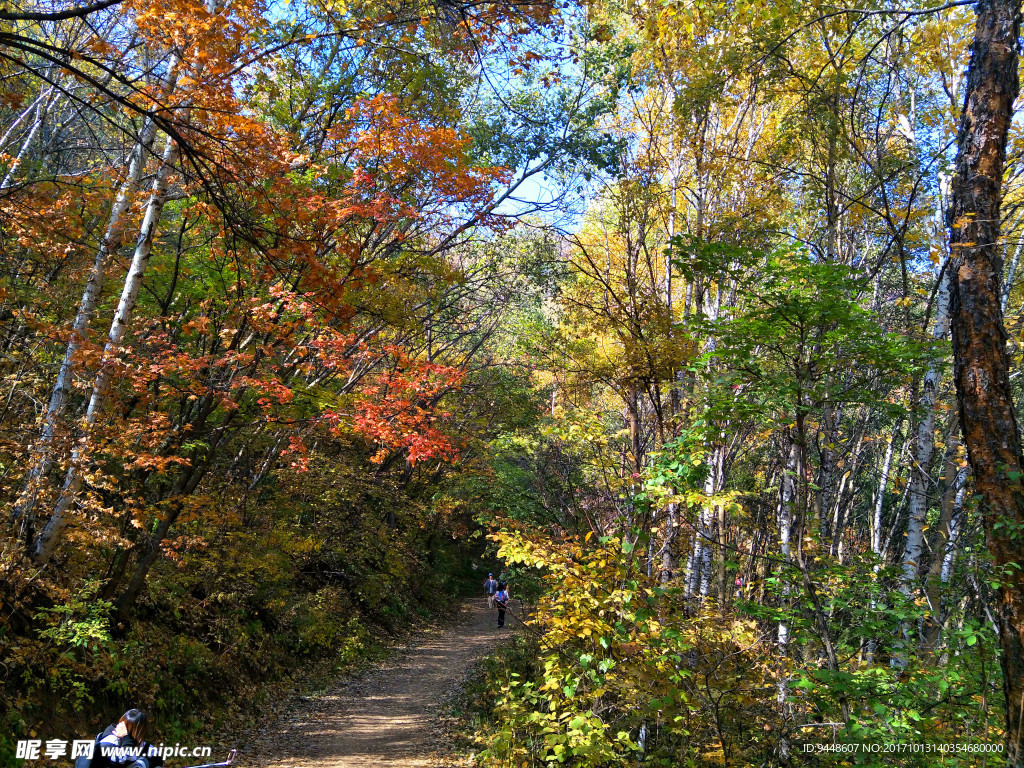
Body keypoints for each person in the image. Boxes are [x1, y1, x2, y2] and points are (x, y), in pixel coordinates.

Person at [89, 710, 162, 768]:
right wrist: (126, 737)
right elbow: (126, 759)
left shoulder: (137, 743)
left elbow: (157, 758)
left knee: (145, 761)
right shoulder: (109, 741)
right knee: (141, 763)